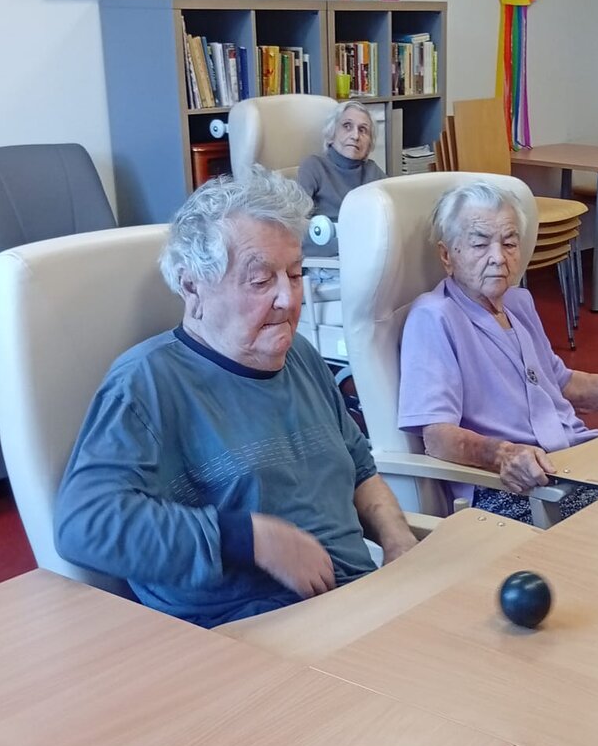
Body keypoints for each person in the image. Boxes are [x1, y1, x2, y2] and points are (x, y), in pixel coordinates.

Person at [54, 168, 416, 627]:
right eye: (261, 281)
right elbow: (84, 524)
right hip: (255, 631)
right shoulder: (146, 383)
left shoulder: (300, 355)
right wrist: (250, 538)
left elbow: (361, 471)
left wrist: (398, 541)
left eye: (295, 274)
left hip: (360, 606)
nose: (289, 299)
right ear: (192, 286)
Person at [398, 180, 598, 521]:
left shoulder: (517, 303)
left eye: (509, 243)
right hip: (518, 488)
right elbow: (437, 437)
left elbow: (563, 383)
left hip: (578, 461)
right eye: (480, 244)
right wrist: (503, 454)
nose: (498, 257)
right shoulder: (434, 317)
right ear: (446, 256)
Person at [296, 101, 385, 223]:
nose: (355, 136)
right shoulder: (314, 166)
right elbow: (296, 220)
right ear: (331, 134)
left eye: (362, 130)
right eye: (347, 126)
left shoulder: (372, 171)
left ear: (369, 144)